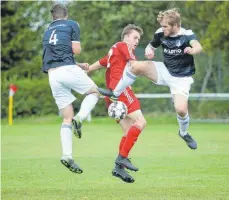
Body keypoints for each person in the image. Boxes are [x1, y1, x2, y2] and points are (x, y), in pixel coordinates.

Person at [99, 8, 203, 150]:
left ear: (175, 25)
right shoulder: (160, 33)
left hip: (181, 78)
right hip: (164, 70)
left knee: (181, 109)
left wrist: (192, 50)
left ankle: (183, 132)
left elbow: (198, 46)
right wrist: (149, 50)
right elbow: (151, 45)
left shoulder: (186, 35)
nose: (162, 28)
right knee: (136, 66)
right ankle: (115, 93)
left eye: (165, 26)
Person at [42, 3, 100, 174]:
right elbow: (76, 49)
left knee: (66, 117)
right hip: (67, 68)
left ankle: (67, 155)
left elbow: (53, 57)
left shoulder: (47, 31)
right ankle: (81, 118)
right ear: (65, 15)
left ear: (52, 17)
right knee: (94, 92)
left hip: (53, 75)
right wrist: (75, 61)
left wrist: (78, 65)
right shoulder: (72, 24)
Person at [88, 24, 147, 183]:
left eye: (138, 39)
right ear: (126, 36)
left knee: (128, 132)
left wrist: (86, 70)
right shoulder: (124, 46)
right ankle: (122, 158)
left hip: (111, 95)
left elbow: (102, 62)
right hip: (120, 90)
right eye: (135, 37)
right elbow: (134, 64)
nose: (136, 42)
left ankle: (118, 168)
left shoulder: (114, 49)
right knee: (141, 122)